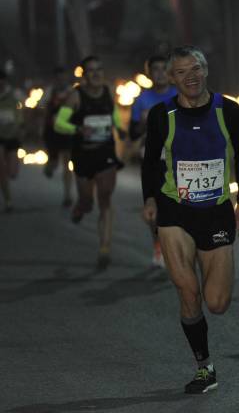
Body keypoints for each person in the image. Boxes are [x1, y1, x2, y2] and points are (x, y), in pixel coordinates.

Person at [141, 45, 239, 394]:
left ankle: (217, 264)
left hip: (216, 210)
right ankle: (205, 367)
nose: (190, 77)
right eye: (181, 72)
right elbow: (149, 161)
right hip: (175, 210)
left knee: (216, 303)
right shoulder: (162, 115)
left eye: (196, 69)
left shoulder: (229, 110)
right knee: (188, 290)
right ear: (171, 78)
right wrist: (149, 199)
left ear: (205, 70)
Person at [54, 56, 124, 267]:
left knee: (105, 198)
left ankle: (105, 248)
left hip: (105, 152)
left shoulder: (109, 92)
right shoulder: (75, 97)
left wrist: (120, 128)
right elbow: (59, 123)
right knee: (87, 199)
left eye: (99, 70)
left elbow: (113, 114)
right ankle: (80, 206)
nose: (96, 74)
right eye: (91, 71)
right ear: (84, 76)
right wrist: (78, 129)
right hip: (83, 155)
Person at [130, 55, 178, 268]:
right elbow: (133, 133)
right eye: (155, 69)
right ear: (149, 74)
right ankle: (158, 243)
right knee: (153, 204)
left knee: (177, 204)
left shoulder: (179, 95)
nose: (159, 73)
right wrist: (144, 123)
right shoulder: (142, 100)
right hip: (152, 158)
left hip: (178, 158)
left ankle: (178, 246)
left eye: (163, 69)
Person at [42, 66, 75, 207]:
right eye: (58, 77)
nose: (61, 80)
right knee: (54, 163)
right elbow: (42, 109)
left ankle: (67, 195)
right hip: (52, 132)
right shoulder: (49, 92)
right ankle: (49, 167)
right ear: (55, 78)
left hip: (67, 131)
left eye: (63, 77)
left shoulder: (72, 92)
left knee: (67, 163)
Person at [0, 70, 22, 212]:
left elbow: (20, 113)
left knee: (12, 173)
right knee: (1, 168)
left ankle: (8, 174)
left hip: (13, 136)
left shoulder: (14, 96)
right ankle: (8, 201)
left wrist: (21, 128)